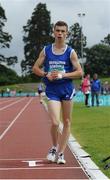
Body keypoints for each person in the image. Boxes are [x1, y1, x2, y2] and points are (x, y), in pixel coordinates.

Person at [33, 21, 83, 164]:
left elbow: (79, 72)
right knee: (55, 122)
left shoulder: (70, 51)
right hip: (52, 90)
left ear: (67, 33)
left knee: (66, 121)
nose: (60, 33)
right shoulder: (46, 50)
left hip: (66, 89)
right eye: (58, 30)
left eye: (63, 31)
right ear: (53, 32)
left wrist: (63, 75)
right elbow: (35, 68)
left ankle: (61, 153)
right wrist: (45, 74)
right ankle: (54, 147)